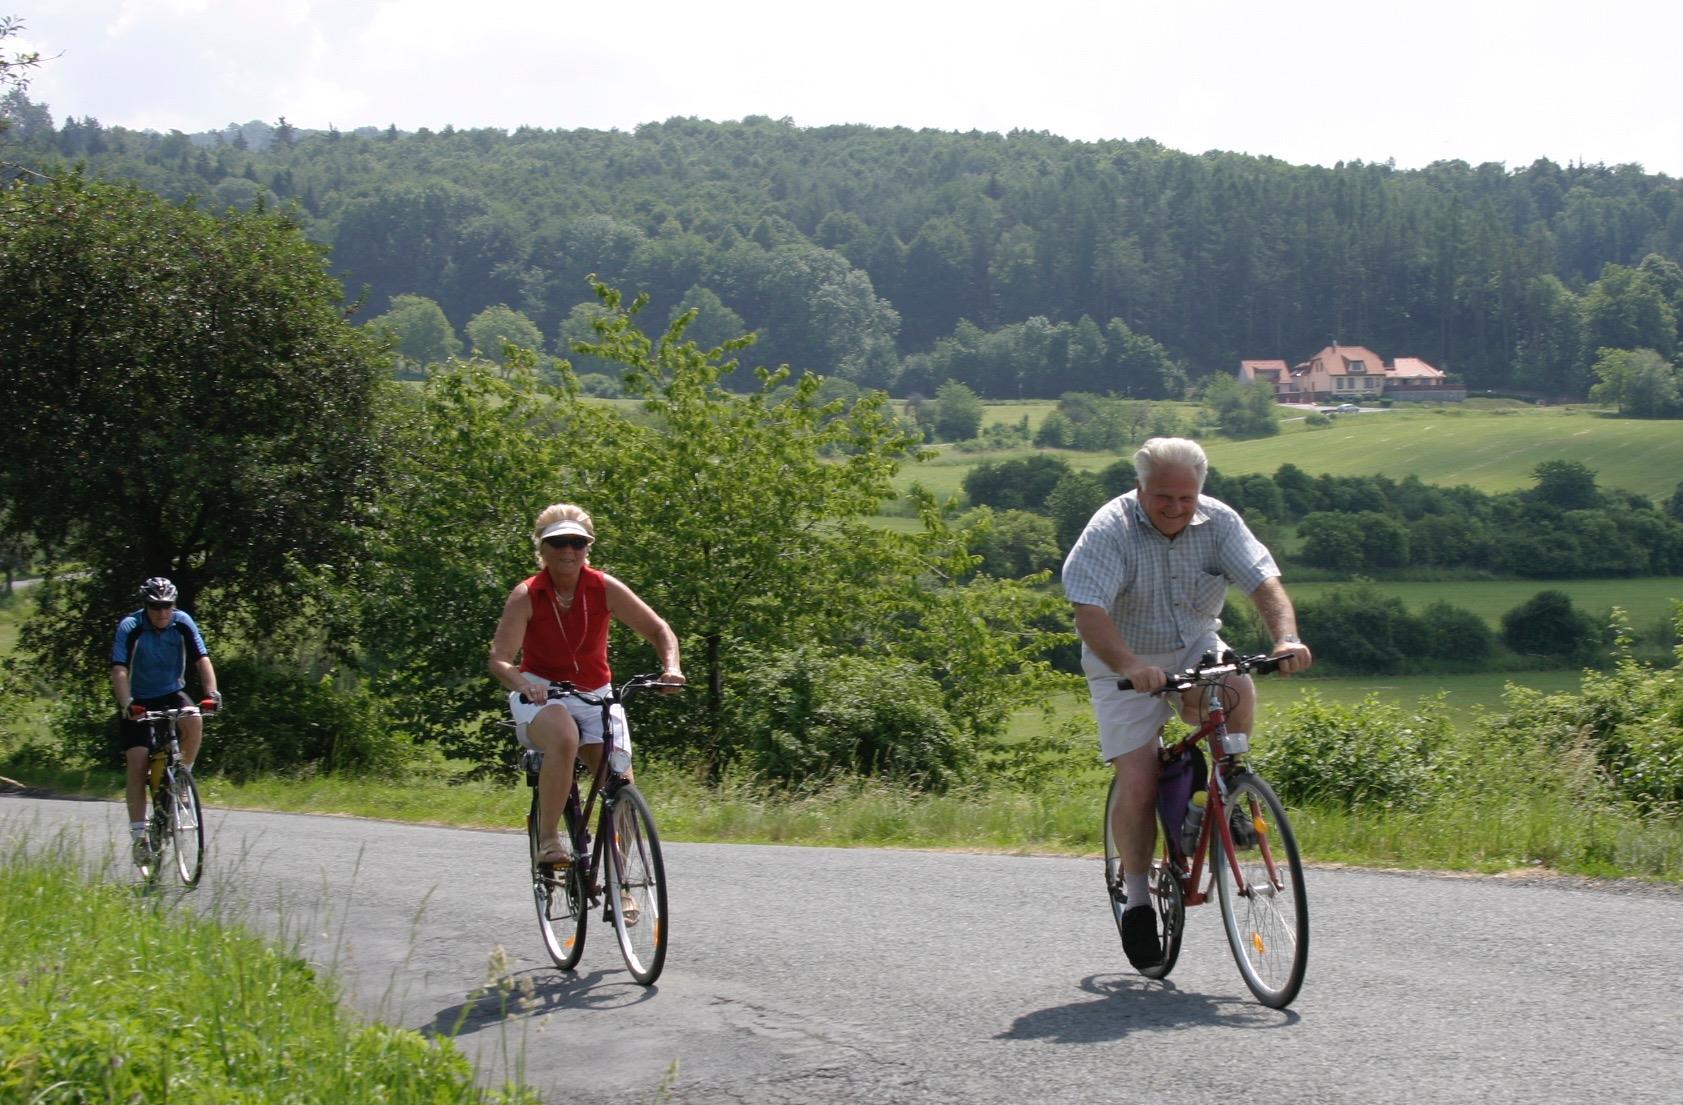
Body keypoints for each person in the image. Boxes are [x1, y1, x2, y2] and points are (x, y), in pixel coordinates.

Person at [1061, 437, 1311, 969]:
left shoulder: (1219, 521)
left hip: (1194, 642)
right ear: (1140, 488)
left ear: (1200, 490)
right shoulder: (1110, 529)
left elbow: (1264, 581)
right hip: (1122, 658)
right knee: (1140, 778)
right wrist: (1130, 666)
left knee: (1237, 686)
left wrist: (1285, 638)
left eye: (1186, 497)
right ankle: (1135, 899)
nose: (1175, 507)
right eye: (1162, 497)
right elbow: (1089, 614)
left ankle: (1221, 794)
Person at [488, 503, 684, 867]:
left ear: (588, 548)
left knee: (619, 782)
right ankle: (548, 840)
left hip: (595, 691)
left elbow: (659, 629)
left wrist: (670, 668)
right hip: (542, 690)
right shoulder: (527, 594)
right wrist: (524, 685)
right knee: (564, 736)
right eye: (558, 542)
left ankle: (619, 880)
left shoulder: (602, 587)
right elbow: (500, 659)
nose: (568, 551)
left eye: (577, 543)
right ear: (542, 549)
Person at [110, 576, 221, 865]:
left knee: (195, 718)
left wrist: (212, 693)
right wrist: (127, 704)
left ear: (174, 605)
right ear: (145, 606)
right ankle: (139, 838)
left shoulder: (182, 622)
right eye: (155, 607)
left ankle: (182, 778)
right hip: (138, 700)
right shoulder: (131, 627)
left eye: (167, 606)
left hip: (171, 692)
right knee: (138, 763)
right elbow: (119, 670)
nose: (161, 613)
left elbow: (202, 658)